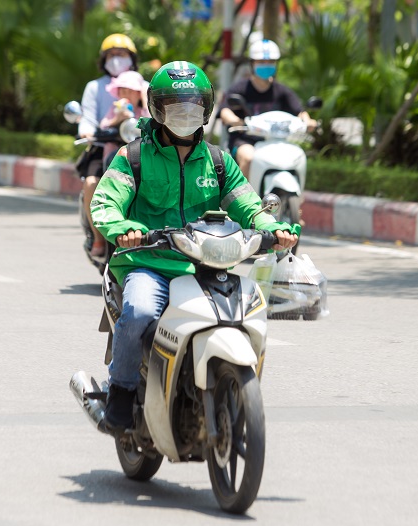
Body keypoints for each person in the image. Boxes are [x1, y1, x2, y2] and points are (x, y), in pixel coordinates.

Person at [91, 60, 300, 430]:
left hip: (205, 266)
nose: (186, 115)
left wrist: (275, 228)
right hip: (149, 263)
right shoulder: (134, 157)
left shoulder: (218, 161)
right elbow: (105, 203)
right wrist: (124, 229)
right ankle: (120, 393)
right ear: (157, 109)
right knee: (139, 313)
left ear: (206, 109)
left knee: (247, 313)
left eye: (193, 107)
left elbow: (249, 206)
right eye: (176, 106)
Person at [218, 39, 316, 178]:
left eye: (271, 62)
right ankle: (241, 198)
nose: (266, 65)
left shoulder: (282, 91)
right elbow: (225, 110)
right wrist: (234, 120)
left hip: (276, 140)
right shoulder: (239, 88)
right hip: (245, 140)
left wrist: (308, 121)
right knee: (249, 158)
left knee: (295, 157)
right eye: (261, 62)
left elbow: (299, 111)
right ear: (252, 64)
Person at [79, 33, 139, 259]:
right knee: (92, 182)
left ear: (132, 59)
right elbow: (88, 119)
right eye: (112, 55)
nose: (116, 59)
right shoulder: (94, 87)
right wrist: (87, 131)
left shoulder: (142, 84)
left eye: (121, 54)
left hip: (140, 146)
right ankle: (97, 237)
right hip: (105, 145)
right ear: (104, 59)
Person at [98, 70, 150, 195]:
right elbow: (103, 126)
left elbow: (151, 122)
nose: (126, 94)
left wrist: (145, 102)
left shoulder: (143, 110)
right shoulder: (115, 109)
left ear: (139, 94)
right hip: (116, 152)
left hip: (142, 153)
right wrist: (117, 119)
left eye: (130, 91)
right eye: (122, 91)